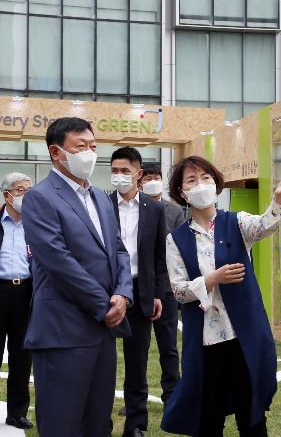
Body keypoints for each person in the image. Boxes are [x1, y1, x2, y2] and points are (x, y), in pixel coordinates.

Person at [161, 156, 281, 437]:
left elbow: (263, 226)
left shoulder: (236, 222)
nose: (200, 184)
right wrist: (212, 279)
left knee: (252, 417)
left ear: (216, 184)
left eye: (206, 178)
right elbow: (178, 291)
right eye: (191, 180)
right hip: (207, 342)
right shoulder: (175, 239)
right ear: (181, 192)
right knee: (209, 418)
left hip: (242, 336)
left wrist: (278, 200)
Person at [22, 117, 133, 437]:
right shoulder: (40, 197)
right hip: (63, 331)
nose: (90, 153)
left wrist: (123, 295)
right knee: (62, 423)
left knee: (98, 422)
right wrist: (106, 306)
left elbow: (119, 251)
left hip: (102, 332)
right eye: (80, 146)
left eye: (94, 146)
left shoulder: (100, 197)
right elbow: (58, 262)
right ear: (56, 152)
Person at [109, 148, 168, 437]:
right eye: (114, 170)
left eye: (124, 170)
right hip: (108, 293)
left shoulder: (154, 209)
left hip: (141, 290)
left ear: (138, 173)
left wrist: (157, 293)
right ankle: (99, 422)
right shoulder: (101, 204)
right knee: (102, 360)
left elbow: (160, 257)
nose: (119, 176)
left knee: (137, 362)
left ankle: (135, 424)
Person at [138, 162, 185, 409]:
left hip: (166, 287)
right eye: (147, 177)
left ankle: (172, 396)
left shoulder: (174, 212)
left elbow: (178, 247)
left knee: (168, 345)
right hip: (140, 287)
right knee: (139, 348)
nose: (151, 181)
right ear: (140, 180)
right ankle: (137, 396)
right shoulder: (132, 208)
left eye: (155, 177)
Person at [0, 172, 33, 430]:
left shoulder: (36, 224)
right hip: (0, 291)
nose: (26, 195)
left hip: (25, 293)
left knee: (22, 356)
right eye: (21, 190)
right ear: (7, 195)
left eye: (28, 190)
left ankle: (17, 413)